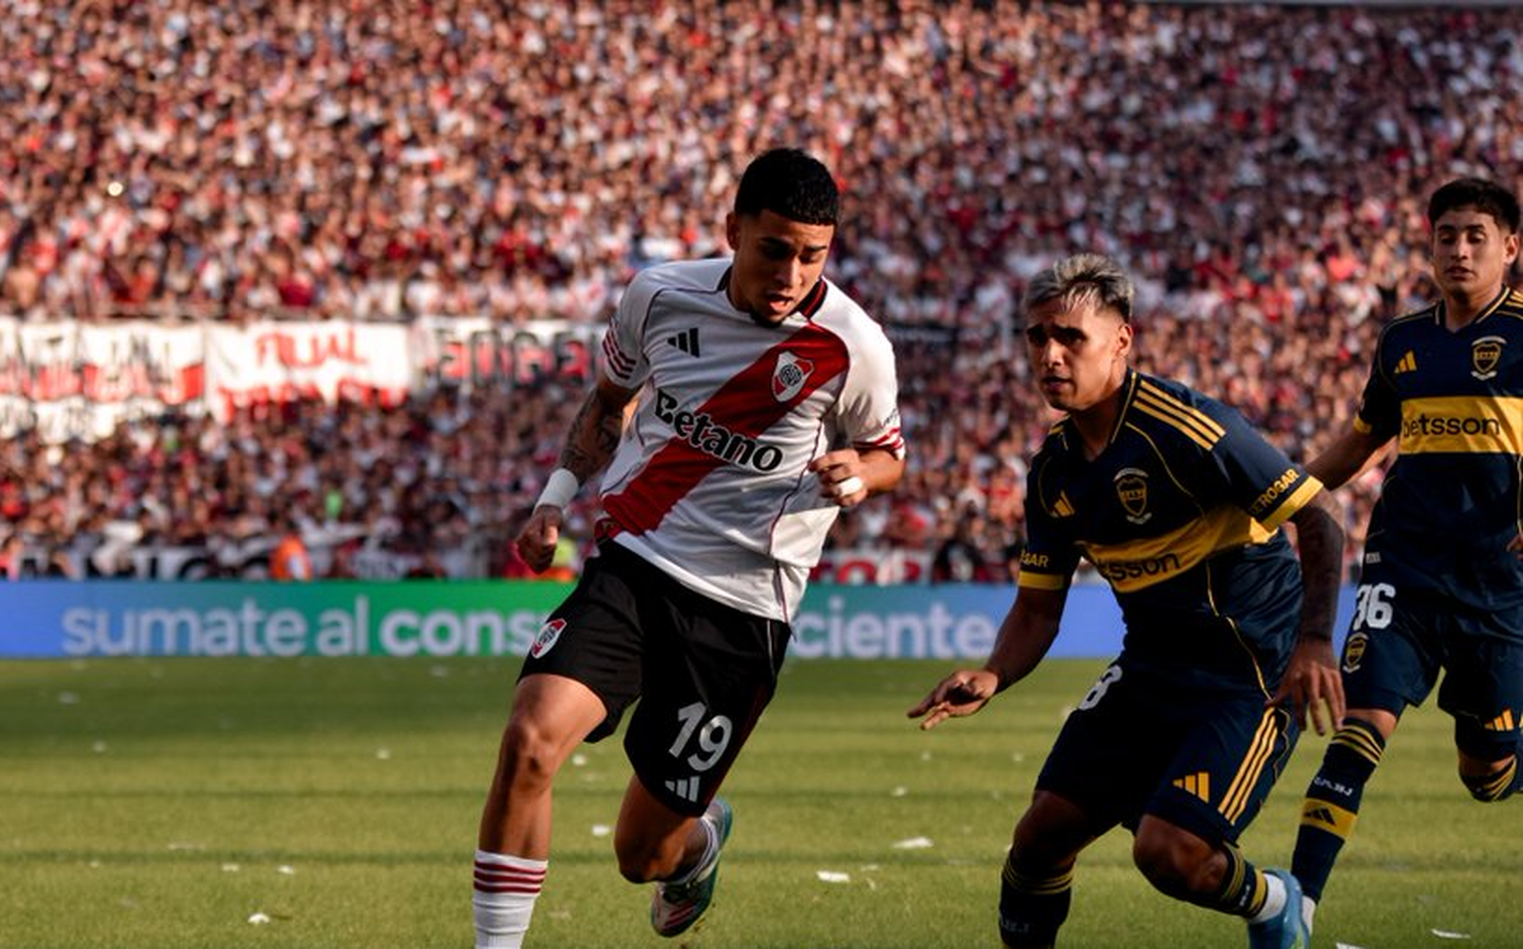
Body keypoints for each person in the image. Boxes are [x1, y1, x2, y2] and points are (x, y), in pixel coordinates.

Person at [469, 147, 905, 948]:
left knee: (642, 854)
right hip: (635, 563)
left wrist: (859, 474)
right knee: (529, 739)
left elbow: (888, 452)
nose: (791, 273)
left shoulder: (855, 346)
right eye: (775, 248)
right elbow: (608, 402)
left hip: (742, 610)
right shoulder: (659, 294)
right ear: (734, 229)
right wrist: (553, 499)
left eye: (813, 256)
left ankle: (698, 845)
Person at [907, 252, 1345, 949]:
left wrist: (1317, 642)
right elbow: (1037, 608)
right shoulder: (1052, 471)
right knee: (1039, 836)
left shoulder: (1193, 430)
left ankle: (1272, 901)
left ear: (1122, 339)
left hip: (1250, 673)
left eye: (1070, 338)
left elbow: (1318, 518)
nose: (1049, 354)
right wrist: (993, 672)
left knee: (1165, 851)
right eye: (1036, 336)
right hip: (1150, 672)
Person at [1289, 177, 1523, 938]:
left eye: (1475, 236)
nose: (1458, 249)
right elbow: (1361, 443)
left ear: (1510, 248)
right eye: (1446, 235)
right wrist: (1276, 495)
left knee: (1485, 772)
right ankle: (1297, 907)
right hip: (1405, 566)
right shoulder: (1403, 341)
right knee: (1359, 725)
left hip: (1501, 583)